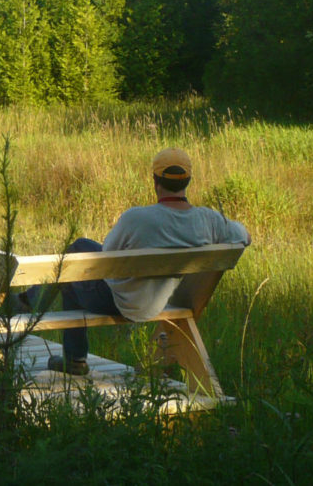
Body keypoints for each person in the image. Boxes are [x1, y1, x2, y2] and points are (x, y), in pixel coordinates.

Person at [17, 147, 251, 375]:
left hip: (121, 302)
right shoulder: (208, 220)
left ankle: (62, 344)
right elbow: (245, 236)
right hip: (159, 302)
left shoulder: (137, 218)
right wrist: (225, 223)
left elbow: (105, 258)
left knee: (73, 266)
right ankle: (31, 300)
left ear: (155, 179)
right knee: (80, 246)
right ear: (188, 180)